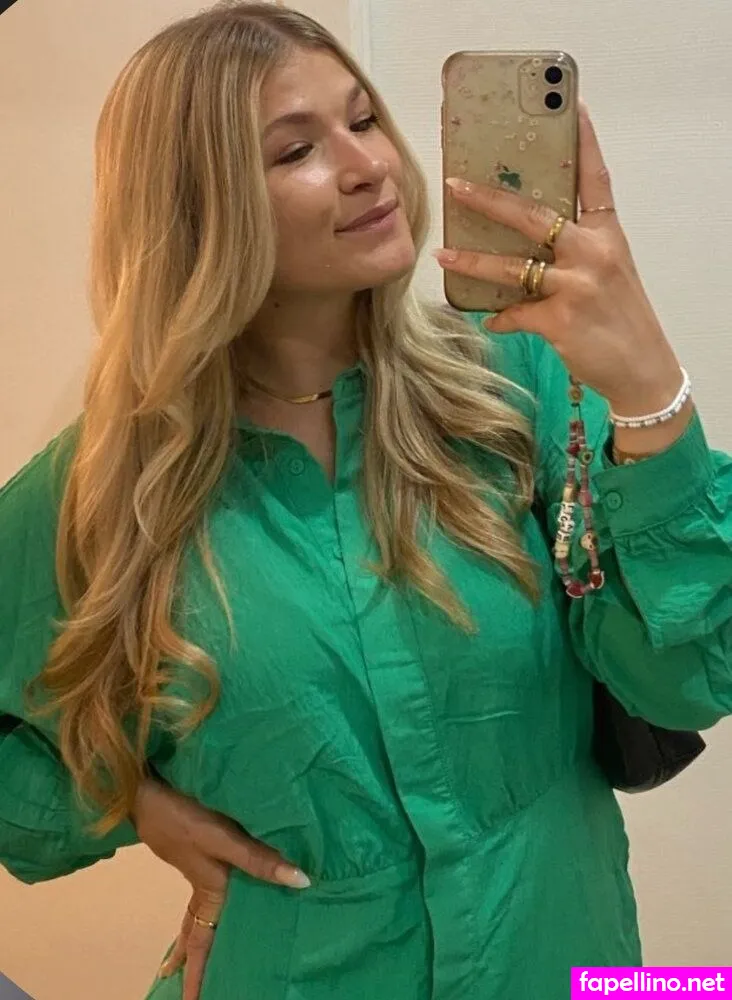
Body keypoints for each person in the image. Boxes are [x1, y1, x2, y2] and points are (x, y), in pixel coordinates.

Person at [1, 3, 730, 998]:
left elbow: (687, 680)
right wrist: (129, 802)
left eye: (364, 119)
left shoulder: (511, 388)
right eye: (296, 148)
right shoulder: (106, 485)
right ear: (194, 207)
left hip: (560, 959)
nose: (368, 165)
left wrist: (647, 386)